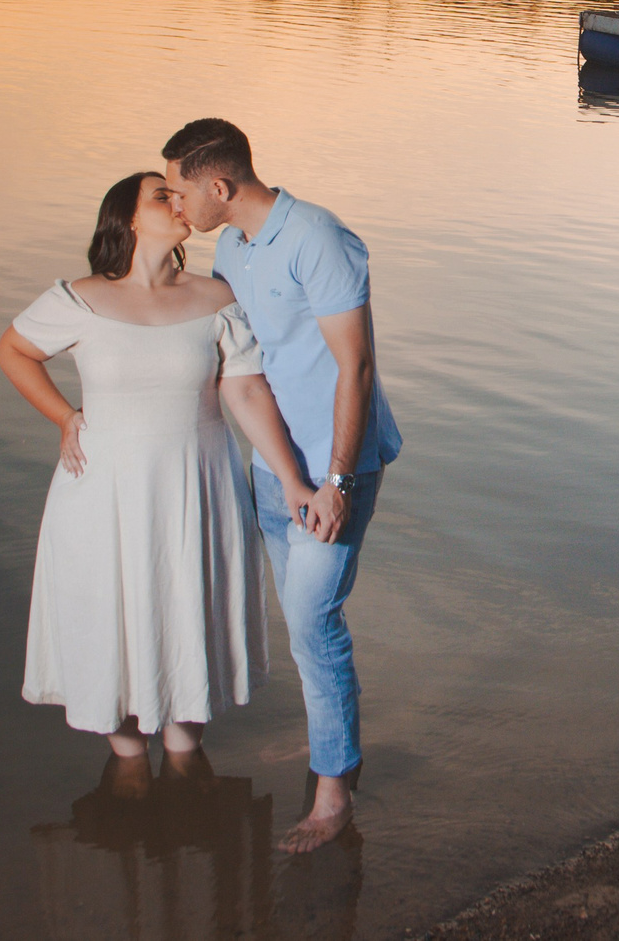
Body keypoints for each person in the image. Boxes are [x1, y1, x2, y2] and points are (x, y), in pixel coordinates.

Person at [0, 171, 317, 785]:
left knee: (184, 613)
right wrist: (65, 415)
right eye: (160, 196)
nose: (178, 202)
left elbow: (246, 391)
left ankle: (183, 763)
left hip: (196, 486)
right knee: (108, 615)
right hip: (101, 493)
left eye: (177, 193)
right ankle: (127, 778)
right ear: (129, 219)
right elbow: (14, 351)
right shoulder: (78, 298)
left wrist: (293, 481)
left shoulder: (215, 298)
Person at [160, 118, 400, 854]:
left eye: (179, 190)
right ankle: (330, 740)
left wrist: (334, 481)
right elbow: (238, 356)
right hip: (275, 468)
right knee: (303, 628)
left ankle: (334, 793)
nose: (176, 204)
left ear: (219, 186)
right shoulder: (231, 245)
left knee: (311, 618)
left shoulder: (319, 239)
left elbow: (353, 366)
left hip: (337, 469)